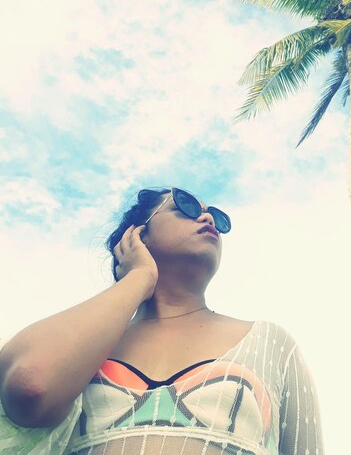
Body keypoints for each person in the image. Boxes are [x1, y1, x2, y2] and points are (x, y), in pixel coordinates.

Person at [0, 186, 325, 455]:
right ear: (136, 234)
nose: (208, 217)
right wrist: (138, 278)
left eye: (219, 217)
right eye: (183, 205)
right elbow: (31, 387)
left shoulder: (270, 342)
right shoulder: (85, 345)